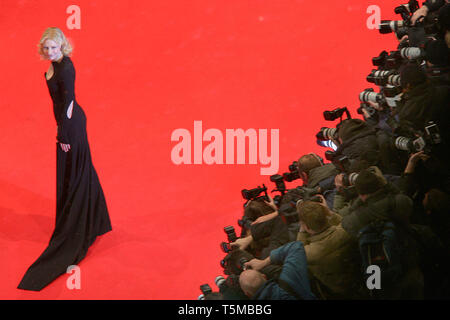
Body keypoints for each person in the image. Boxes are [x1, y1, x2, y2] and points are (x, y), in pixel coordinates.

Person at [18, 27, 112, 291]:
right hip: (66, 124)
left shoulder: (66, 69)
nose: (50, 52)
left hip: (72, 126)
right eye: (46, 48)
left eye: (54, 48)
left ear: (62, 46)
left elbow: (68, 103)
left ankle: (83, 224)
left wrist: (64, 134)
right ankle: (95, 218)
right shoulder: (55, 65)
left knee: (76, 173)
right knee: (80, 173)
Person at [296, 201, 368, 299]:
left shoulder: (310, 253)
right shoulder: (345, 231)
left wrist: (302, 230)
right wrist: (330, 213)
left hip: (337, 290)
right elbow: (344, 223)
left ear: (307, 227)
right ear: (326, 217)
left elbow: (298, 251)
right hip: (359, 278)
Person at [239, 241, 316, 300]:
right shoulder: (289, 281)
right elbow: (295, 247)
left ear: (247, 294)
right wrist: (263, 263)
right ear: (264, 276)